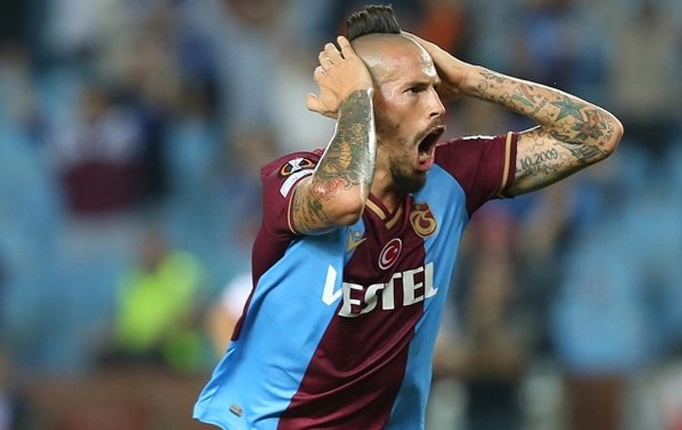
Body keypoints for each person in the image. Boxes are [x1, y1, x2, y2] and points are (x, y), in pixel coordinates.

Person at [193, 4, 623, 429]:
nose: (437, 106)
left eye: (435, 88)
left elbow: (597, 136)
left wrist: (470, 77)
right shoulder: (292, 177)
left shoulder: (452, 178)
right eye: (415, 91)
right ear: (366, 105)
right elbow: (343, 201)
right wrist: (356, 99)